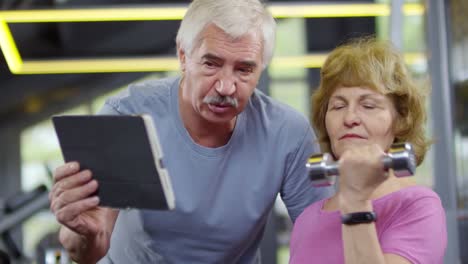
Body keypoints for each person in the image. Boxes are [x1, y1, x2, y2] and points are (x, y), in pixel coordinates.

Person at [49, 0, 333, 263]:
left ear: (261, 69)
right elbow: (89, 250)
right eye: (211, 63)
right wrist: (84, 233)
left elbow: (324, 242)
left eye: (244, 70)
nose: (225, 87)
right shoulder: (128, 114)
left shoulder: (288, 133)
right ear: (183, 56)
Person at [289, 38, 447, 263]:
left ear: (401, 121)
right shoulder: (307, 219)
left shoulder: (418, 206)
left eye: (369, 105)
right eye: (338, 106)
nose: (350, 118)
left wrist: (355, 199)